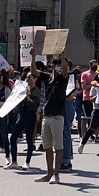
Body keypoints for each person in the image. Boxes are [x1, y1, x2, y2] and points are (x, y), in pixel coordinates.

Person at [30, 48, 68, 184]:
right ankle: (49, 173)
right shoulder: (48, 78)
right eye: (55, 65)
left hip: (58, 116)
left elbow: (65, 71)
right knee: (47, 146)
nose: (57, 67)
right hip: (47, 115)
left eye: (59, 65)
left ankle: (56, 175)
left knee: (58, 146)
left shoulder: (63, 79)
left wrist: (63, 58)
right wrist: (33, 57)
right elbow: (34, 71)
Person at [7, 71, 41, 170]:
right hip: (21, 115)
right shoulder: (23, 88)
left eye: (30, 78)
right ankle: (14, 161)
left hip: (30, 115)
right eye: (27, 77)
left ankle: (27, 162)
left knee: (29, 140)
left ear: (35, 79)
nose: (28, 79)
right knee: (13, 138)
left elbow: (34, 105)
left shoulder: (36, 90)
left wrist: (27, 97)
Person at [79, 59, 97, 138]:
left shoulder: (98, 74)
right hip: (86, 98)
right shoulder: (85, 74)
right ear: (90, 65)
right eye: (94, 65)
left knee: (96, 118)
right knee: (85, 118)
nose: (95, 67)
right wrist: (94, 85)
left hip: (96, 98)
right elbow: (84, 86)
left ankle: (96, 136)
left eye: (96, 65)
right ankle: (83, 135)